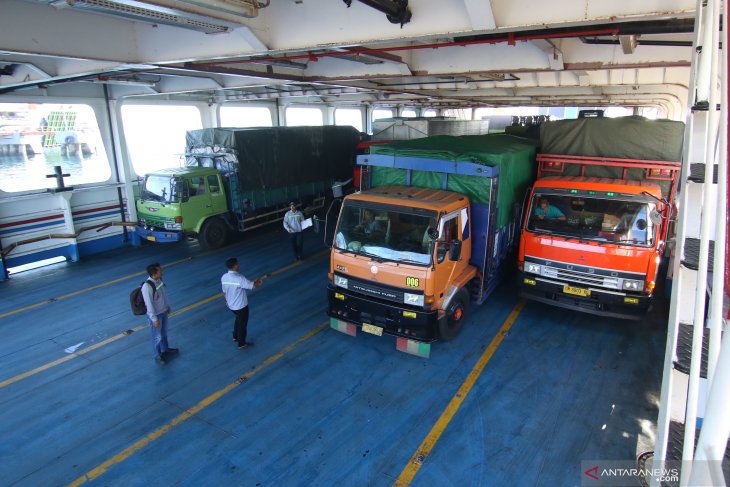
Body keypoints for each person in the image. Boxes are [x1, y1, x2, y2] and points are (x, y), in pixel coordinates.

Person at [221, 257, 262, 349]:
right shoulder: (239, 278)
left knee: (238, 319)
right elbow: (251, 286)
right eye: (237, 263)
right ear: (235, 266)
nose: (239, 265)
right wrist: (258, 282)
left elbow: (224, 291)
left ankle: (235, 336)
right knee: (242, 325)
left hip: (231, 305)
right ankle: (241, 343)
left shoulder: (224, 277)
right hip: (241, 306)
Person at [142, 263, 178, 365]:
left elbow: (163, 295)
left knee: (163, 333)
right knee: (156, 337)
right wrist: (154, 319)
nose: (162, 271)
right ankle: (157, 355)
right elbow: (149, 304)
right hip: (156, 315)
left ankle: (165, 349)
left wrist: (167, 306)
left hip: (163, 311)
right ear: (154, 273)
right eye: (160, 270)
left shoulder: (159, 281)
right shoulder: (147, 286)